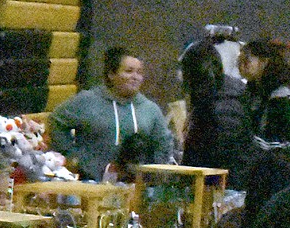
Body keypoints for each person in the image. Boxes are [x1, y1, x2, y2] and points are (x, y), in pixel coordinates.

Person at [48, 46, 173, 181]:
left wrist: (152, 174)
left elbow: (164, 144)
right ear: (111, 74)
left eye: (139, 72)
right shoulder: (87, 100)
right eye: (129, 71)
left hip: (136, 186)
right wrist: (72, 156)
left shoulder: (150, 109)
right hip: (90, 183)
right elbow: (56, 120)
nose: (135, 77)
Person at [178, 37, 251, 189]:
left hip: (215, 183)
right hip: (239, 180)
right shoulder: (240, 92)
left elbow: (202, 156)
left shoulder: (206, 100)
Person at [238, 38, 290, 151]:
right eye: (239, 61)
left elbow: (287, 141)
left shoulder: (281, 96)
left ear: (264, 62)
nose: (240, 66)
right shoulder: (250, 91)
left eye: (246, 61)